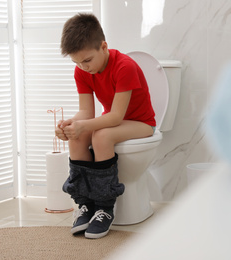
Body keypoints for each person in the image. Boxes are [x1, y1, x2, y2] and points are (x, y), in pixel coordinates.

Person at [56, 13, 156, 239]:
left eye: (87, 60)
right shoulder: (81, 70)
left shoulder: (124, 66)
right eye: (77, 62)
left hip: (142, 124)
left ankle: (104, 207)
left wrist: (84, 125)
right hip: (115, 122)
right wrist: (70, 124)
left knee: (100, 136)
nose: (83, 67)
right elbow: (86, 113)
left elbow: (115, 117)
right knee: (78, 136)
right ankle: (85, 205)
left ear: (104, 46)